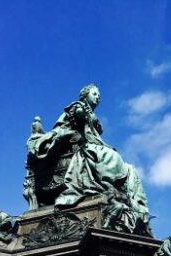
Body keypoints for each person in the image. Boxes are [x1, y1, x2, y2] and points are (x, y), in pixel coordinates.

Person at [29, 84, 149, 232]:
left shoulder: (92, 114)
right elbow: (75, 116)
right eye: (94, 94)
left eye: (99, 95)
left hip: (93, 145)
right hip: (83, 146)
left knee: (126, 166)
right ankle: (105, 186)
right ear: (85, 96)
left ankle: (132, 204)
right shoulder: (78, 106)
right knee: (109, 155)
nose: (97, 97)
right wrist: (82, 114)